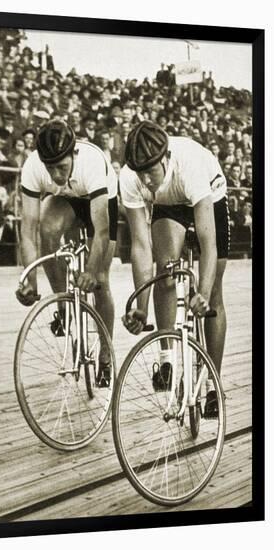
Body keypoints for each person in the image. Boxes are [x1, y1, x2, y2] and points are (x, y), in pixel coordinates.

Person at [120, 121, 229, 418]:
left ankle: (211, 383)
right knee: (165, 268)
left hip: (209, 194)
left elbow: (209, 245)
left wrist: (203, 294)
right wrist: (140, 309)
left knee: (213, 299)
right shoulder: (131, 177)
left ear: (165, 158)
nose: (145, 179)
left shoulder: (189, 166)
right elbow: (141, 247)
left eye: (150, 172)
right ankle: (167, 358)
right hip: (169, 203)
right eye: (139, 173)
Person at [15, 120, 118, 387]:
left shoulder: (92, 162)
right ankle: (63, 306)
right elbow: (28, 229)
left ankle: (106, 355)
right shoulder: (32, 167)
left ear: (74, 154)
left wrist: (91, 271)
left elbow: (102, 231)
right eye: (50, 169)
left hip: (99, 202)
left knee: (101, 282)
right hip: (66, 199)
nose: (57, 175)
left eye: (61, 167)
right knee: (46, 230)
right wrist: (30, 279)